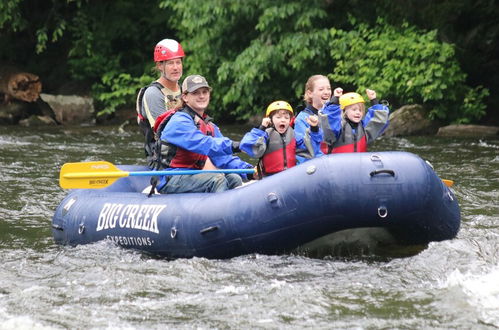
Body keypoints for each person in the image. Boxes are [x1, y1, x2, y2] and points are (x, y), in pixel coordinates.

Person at [155, 74, 254, 193]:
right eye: (195, 93)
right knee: (217, 180)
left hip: (194, 174)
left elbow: (223, 158)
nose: (201, 96)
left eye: (205, 92)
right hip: (171, 178)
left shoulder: (209, 126)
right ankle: (218, 210)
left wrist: (250, 171)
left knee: (234, 178)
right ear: (185, 97)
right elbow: (204, 144)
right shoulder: (179, 122)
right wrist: (237, 146)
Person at [239, 100, 322, 178]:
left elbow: (312, 149)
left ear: (290, 120)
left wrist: (314, 129)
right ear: (270, 120)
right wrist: (261, 128)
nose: (283, 120)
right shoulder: (265, 135)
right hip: (270, 178)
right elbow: (247, 145)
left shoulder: (294, 135)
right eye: (278, 117)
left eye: (286, 118)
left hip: (290, 177)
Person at [136, 38, 185, 164]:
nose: (175, 68)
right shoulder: (153, 93)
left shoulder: (186, 90)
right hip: (163, 160)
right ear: (159, 66)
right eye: (170, 63)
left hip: (187, 153)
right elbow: (164, 132)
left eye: (178, 62)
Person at [318, 88, 389, 153]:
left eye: (360, 110)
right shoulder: (338, 127)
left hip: (358, 164)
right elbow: (330, 121)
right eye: (354, 110)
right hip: (337, 164)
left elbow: (378, 121)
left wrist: (374, 100)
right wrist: (335, 99)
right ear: (344, 111)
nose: (358, 112)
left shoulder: (364, 128)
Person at [294, 75, 331, 163]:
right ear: (310, 93)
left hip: (333, 163)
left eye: (328, 88)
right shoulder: (302, 119)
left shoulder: (334, 115)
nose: (326, 92)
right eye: (321, 89)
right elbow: (305, 149)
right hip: (313, 167)